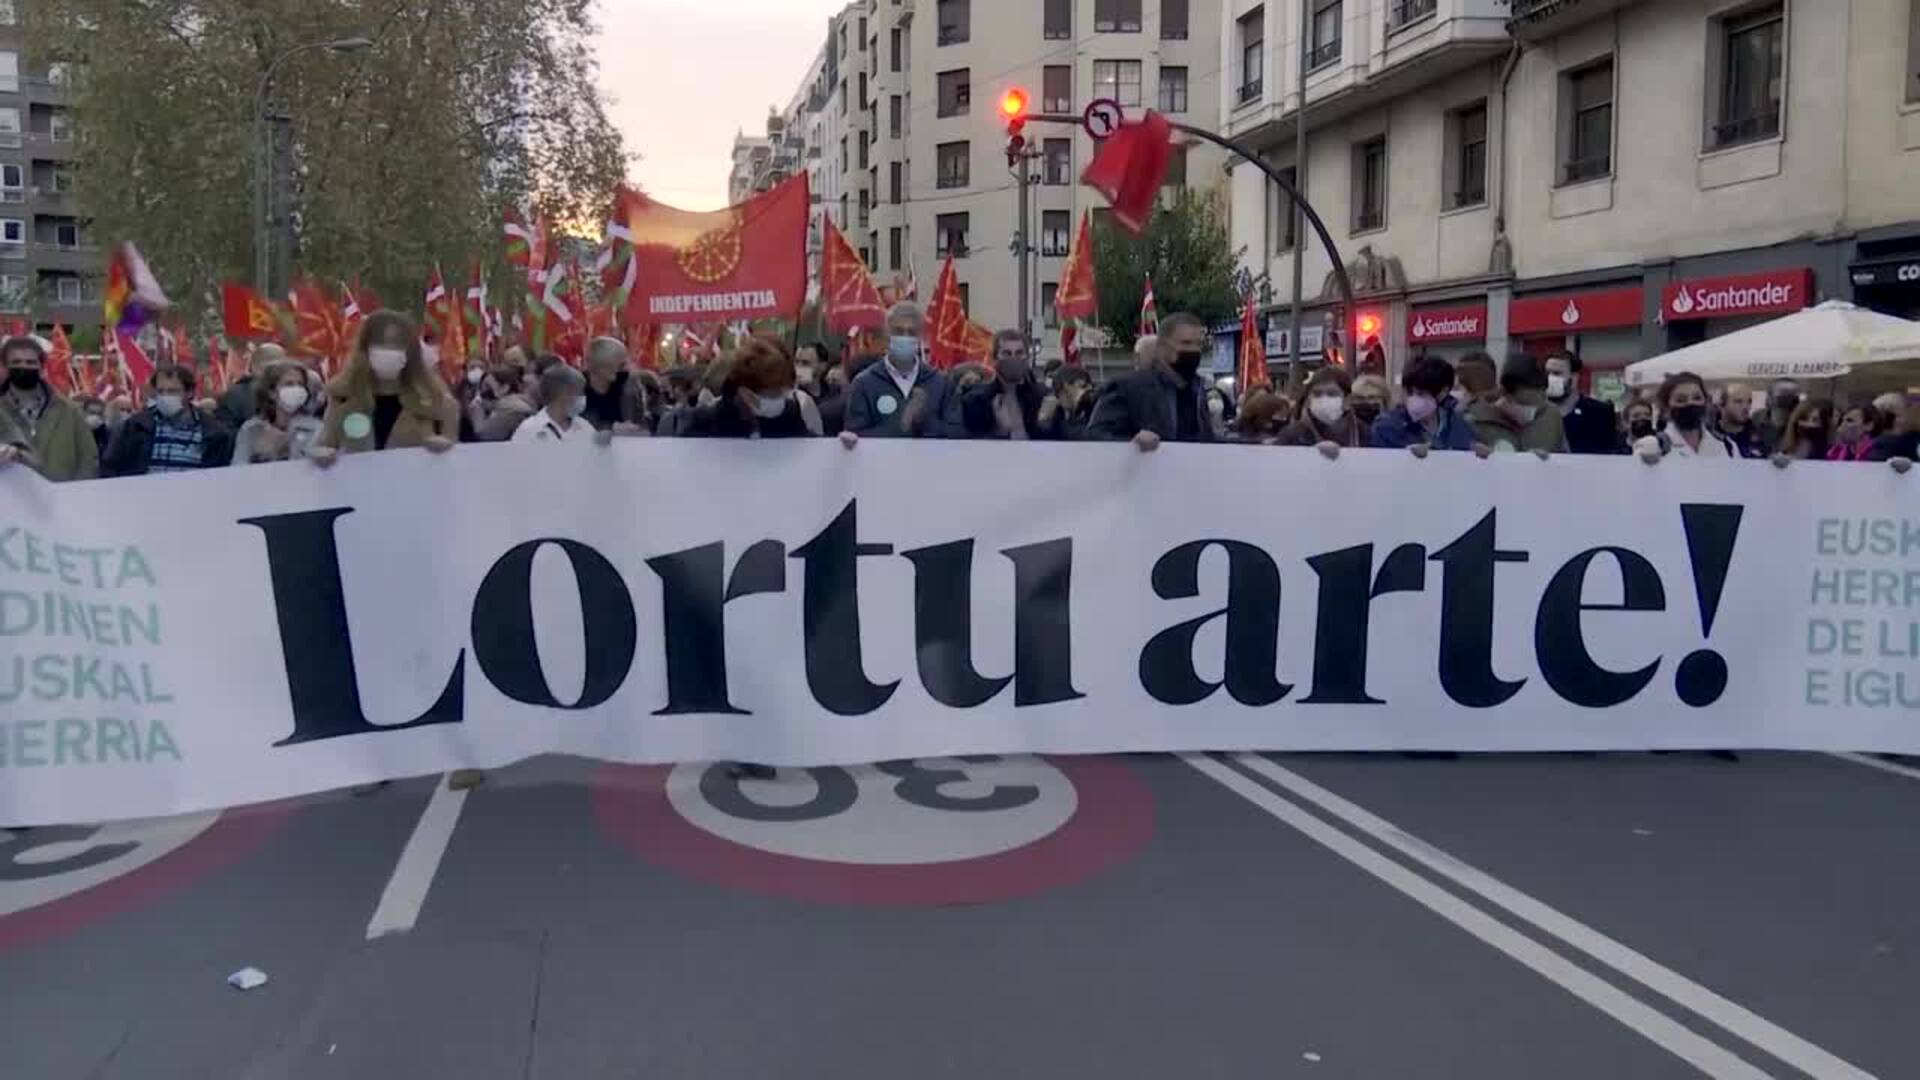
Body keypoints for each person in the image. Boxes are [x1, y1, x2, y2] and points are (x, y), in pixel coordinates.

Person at [311, 311, 461, 461]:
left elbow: (453, 459)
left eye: (397, 345)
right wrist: (320, 454)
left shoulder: (438, 401)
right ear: (366, 349)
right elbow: (325, 444)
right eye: (380, 344)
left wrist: (443, 447)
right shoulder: (342, 398)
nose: (388, 351)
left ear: (410, 352)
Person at [1086, 311, 1215, 450]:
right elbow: (1095, 436)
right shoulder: (1128, 387)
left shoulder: (1198, 390)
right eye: (1186, 343)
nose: (1194, 350)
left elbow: (1205, 439)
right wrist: (1132, 442)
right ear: (1161, 347)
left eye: (1199, 344)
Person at [844, 301, 959, 439]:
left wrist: (924, 421)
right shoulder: (864, 384)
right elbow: (855, 435)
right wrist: (900, 427)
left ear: (920, 337)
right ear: (887, 335)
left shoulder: (941, 383)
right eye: (898, 331)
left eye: (911, 332)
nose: (905, 337)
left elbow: (956, 433)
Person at [0, 334, 97, 482]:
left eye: (30, 362)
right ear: (5, 367)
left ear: (41, 366)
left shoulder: (69, 411)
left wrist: (78, 495)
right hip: (10, 500)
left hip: (64, 498)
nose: (24, 366)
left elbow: (88, 459)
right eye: (17, 362)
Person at [679, 336, 814, 438]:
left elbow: (806, 445)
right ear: (746, 394)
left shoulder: (790, 413)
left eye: (781, 391)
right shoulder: (706, 421)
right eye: (773, 393)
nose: (780, 398)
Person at [959, 330, 1068, 440]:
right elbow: (970, 445)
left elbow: (1065, 443)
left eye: (1019, 353)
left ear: (1027, 357)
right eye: (1006, 353)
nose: (1013, 358)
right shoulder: (977, 399)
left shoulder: (1044, 397)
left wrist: (1044, 425)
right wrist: (1000, 431)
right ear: (995, 358)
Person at [1370, 354, 1476, 453]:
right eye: (1410, 392)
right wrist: (1403, 457)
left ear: (1442, 393)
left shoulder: (1460, 426)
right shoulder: (1387, 427)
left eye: (1421, 394)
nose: (1413, 400)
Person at [1468, 352, 1566, 455]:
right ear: (1505, 394)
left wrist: (1548, 461)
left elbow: (1567, 457)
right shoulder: (1476, 420)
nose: (1534, 409)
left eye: (1539, 402)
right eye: (1526, 404)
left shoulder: (1551, 415)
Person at [231, 361, 326, 465]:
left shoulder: (317, 428)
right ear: (272, 393)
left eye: (300, 384)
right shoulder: (251, 429)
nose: (296, 389)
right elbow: (238, 468)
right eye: (289, 384)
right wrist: (262, 455)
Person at [1636, 371, 1736, 461]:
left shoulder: (1726, 445)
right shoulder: (1652, 447)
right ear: (1666, 408)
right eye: (1681, 400)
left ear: (1706, 402)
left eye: (1697, 398)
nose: (1690, 403)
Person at [1544, 349, 1621, 454]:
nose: (1550, 378)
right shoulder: (1537, 413)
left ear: (1574, 377)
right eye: (1547, 373)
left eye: (1557, 373)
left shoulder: (1599, 412)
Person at [1275, 366, 1366, 454]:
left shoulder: (1363, 432)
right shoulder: (1291, 435)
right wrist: (1311, 454)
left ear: (1347, 400)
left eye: (1332, 394)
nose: (1324, 398)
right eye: (1317, 394)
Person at [512, 363, 607, 443]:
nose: (583, 397)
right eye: (580, 392)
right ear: (564, 393)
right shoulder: (530, 430)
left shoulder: (584, 427)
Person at [579, 336, 649, 434]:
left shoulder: (629, 386)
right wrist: (610, 427)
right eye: (620, 365)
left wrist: (635, 429)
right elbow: (569, 423)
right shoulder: (576, 387)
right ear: (600, 365)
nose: (625, 369)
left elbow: (641, 424)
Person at [213, 342, 285, 430]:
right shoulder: (235, 396)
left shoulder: (293, 390)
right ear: (254, 366)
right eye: (266, 362)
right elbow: (224, 433)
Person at [1713, 382, 1769, 458]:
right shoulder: (1709, 434)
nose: (1746, 407)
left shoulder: (1762, 434)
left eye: (1749, 402)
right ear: (1721, 405)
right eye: (1738, 402)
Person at [1053, 364, 1098, 439]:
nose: (1088, 391)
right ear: (1064, 388)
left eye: (1089, 386)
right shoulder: (1053, 419)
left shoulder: (1095, 412)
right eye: (1082, 386)